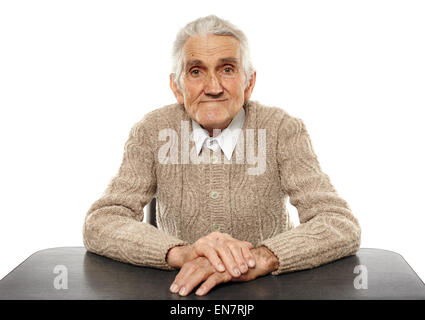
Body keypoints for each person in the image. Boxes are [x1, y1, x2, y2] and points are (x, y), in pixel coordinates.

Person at [82, 15, 361, 297]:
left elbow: (339, 222)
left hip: (269, 291)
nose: (213, 87)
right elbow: (102, 221)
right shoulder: (152, 131)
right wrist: (183, 254)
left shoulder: (282, 129)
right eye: (195, 72)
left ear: (249, 83)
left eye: (227, 69)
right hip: (180, 292)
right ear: (177, 88)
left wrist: (259, 258)